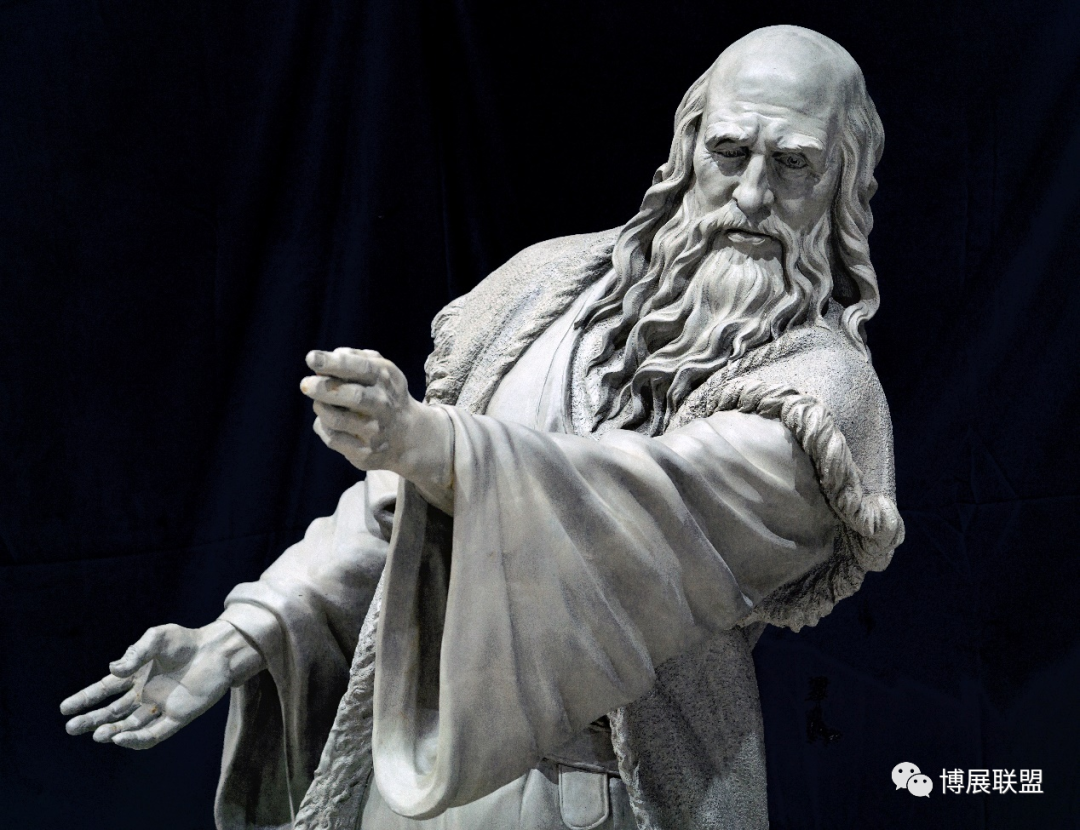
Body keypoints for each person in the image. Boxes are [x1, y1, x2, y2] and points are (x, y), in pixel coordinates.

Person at [61, 25, 904, 830]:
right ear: (688, 149)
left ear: (843, 179)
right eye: (729, 152)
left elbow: (653, 508)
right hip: (419, 780)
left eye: (793, 163)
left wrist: (435, 443)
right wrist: (242, 631)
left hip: (606, 798)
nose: (753, 194)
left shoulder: (821, 394)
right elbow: (403, 514)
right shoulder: (541, 289)